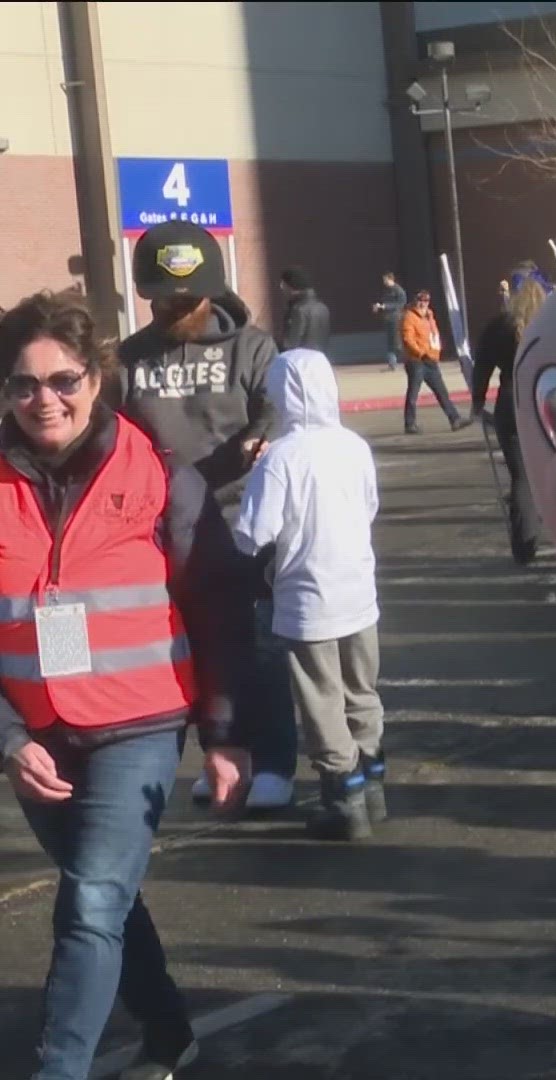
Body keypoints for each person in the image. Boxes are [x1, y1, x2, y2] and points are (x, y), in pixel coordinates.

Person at [0, 292, 251, 1080]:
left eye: (63, 379)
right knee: (102, 897)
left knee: (91, 905)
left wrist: (225, 734)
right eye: (23, 384)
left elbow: (217, 606)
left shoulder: (159, 478)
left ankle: (59, 1069)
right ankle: (170, 1030)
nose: (45, 399)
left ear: (97, 380)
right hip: (38, 736)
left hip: (139, 726)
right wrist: (8, 741)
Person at [119, 220, 298, 812]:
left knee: (261, 647)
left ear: (211, 291)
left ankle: (274, 761)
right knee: (196, 650)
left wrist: (260, 436)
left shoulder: (252, 347)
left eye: (186, 298)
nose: (174, 308)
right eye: (163, 298)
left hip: (247, 523)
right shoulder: (131, 358)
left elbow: (277, 406)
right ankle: (221, 753)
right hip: (167, 531)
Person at [233, 348, 387, 842]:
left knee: (321, 699)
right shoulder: (353, 446)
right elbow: (369, 508)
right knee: (361, 691)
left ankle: (342, 797)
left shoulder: (280, 456)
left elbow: (254, 534)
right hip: (358, 590)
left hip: (307, 597)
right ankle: (373, 782)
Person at [471, 266, 548, 565]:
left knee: (522, 477)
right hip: (549, 398)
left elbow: (482, 367)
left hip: (512, 401)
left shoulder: (500, 325)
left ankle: (524, 548)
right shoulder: (552, 319)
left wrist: (478, 401)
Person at [398, 290, 471, 436]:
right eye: (420, 300)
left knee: (442, 392)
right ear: (415, 301)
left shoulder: (430, 316)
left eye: (426, 301)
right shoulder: (409, 317)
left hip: (431, 360)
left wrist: (435, 352)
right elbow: (408, 338)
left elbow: (434, 335)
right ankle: (410, 424)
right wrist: (420, 352)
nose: (423, 303)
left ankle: (454, 419)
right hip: (416, 361)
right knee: (413, 393)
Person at [277, 266, 330, 353]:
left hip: (300, 361)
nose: (281, 287)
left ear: (292, 285)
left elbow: (290, 343)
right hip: (320, 359)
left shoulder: (298, 310)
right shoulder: (322, 307)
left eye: (284, 283)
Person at [373, 271, 407, 371]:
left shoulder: (398, 290)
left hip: (396, 318)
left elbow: (401, 304)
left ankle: (409, 360)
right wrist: (378, 307)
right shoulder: (386, 290)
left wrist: (386, 306)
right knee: (390, 342)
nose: (384, 282)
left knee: (397, 342)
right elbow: (383, 302)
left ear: (390, 279)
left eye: (385, 280)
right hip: (388, 318)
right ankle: (392, 364)